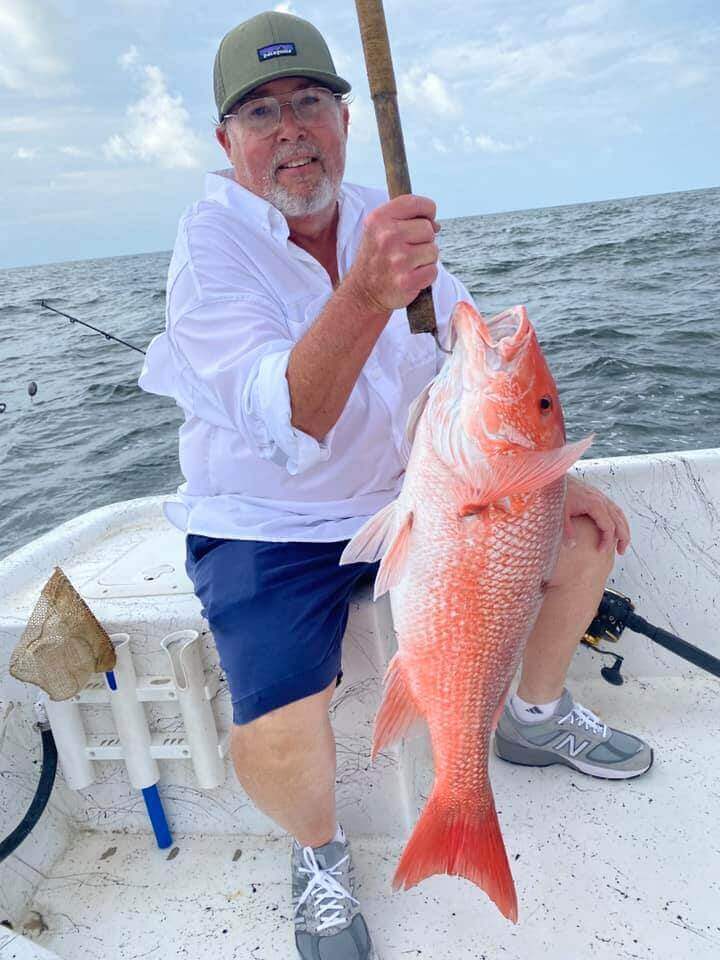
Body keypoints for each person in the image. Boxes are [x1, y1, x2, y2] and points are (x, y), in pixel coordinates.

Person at [138, 11, 653, 959]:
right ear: (226, 142)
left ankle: (533, 720)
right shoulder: (210, 254)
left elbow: (461, 348)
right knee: (280, 723)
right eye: (261, 113)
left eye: (308, 102)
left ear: (343, 117)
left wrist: (546, 470)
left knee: (587, 536)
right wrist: (367, 295)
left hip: (417, 494)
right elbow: (293, 415)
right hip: (270, 521)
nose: (289, 128)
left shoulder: (383, 214)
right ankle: (320, 852)